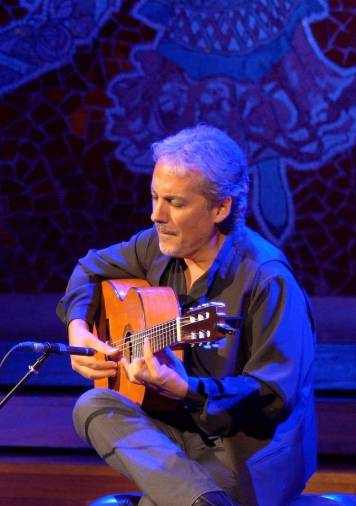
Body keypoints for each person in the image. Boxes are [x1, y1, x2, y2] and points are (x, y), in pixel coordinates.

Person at [57, 125, 316, 505]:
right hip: (178, 433)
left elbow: (273, 395)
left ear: (220, 207)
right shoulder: (156, 247)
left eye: (175, 203)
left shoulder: (268, 279)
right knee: (92, 406)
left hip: (249, 450)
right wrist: (78, 327)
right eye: (154, 197)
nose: (155, 215)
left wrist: (186, 390)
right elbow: (89, 268)